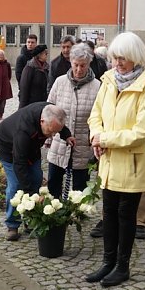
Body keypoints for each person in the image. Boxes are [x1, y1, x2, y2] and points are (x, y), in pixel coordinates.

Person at [85, 32, 145, 287]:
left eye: (122, 59)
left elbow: (142, 133)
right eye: (115, 58)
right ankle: (107, 262)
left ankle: (122, 265)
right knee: (108, 213)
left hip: (131, 162)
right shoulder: (108, 80)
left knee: (126, 216)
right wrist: (96, 136)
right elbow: (95, 114)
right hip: (108, 161)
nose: (117, 63)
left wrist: (104, 140)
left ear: (135, 57)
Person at [0, 103, 74, 241]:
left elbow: (58, 125)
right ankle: (12, 225)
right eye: (50, 132)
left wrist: (66, 134)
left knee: (37, 179)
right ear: (42, 121)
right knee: (16, 186)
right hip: (8, 147)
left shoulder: (51, 113)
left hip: (31, 148)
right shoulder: (23, 131)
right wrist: (32, 194)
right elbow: (19, 164)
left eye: (55, 132)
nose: (52, 135)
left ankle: (31, 219)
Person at [46, 43, 100, 199]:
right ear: (71, 62)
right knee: (54, 183)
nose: (78, 69)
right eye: (76, 65)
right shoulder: (60, 82)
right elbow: (48, 109)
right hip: (59, 142)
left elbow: (101, 117)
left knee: (80, 187)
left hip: (83, 144)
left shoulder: (97, 86)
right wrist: (48, 137)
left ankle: (78, 214)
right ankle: (54, 213)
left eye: (83, 65)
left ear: (89, 64)